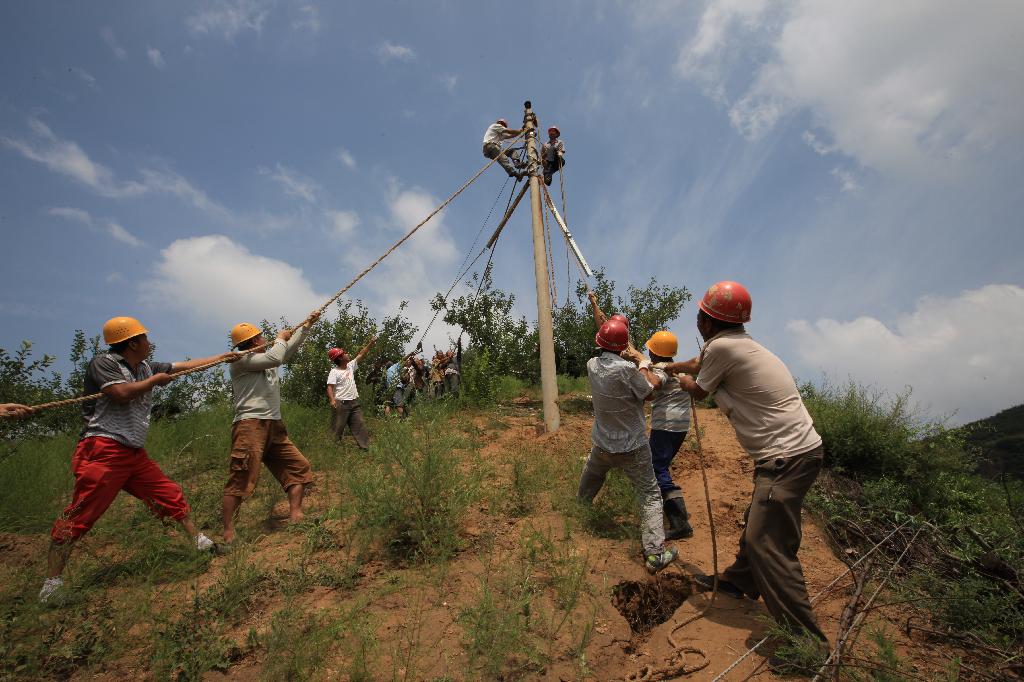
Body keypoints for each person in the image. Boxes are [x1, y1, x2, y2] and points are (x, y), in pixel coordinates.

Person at [40, 316, 239, 602]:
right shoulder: (104, 363)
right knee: (80, 515)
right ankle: (51, 587)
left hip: (133, 453)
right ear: (132, 342)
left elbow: (179, 367)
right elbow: (120, 394)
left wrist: (220, 357)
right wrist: (154, 383)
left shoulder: (144, 367)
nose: (149, 342)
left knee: (169, 495)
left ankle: (202, 545)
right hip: (103, 450)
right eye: (145, 338)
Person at [677, 281, 827, 643]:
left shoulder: (722, 349)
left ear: (707, 322)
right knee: (760, 520)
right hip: (799, 451)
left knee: (766, 542)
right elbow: (699, 363)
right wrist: (669, 366)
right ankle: (738, 580)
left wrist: (681, 381)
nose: (697, 320)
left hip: (785, 458)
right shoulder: (737, 344)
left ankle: (806, 642)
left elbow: (699, 385)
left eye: (699, 315)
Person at [577, 318, 678, 574]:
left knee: (593, 473)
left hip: (602, 443)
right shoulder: (626, 370)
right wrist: (643, 363)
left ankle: (578, 510)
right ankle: (654, 553)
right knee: (650, 495)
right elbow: (649, 392)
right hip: (632, 446)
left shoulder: (592, 365)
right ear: (623, 347)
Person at [222, 316, 320, 546]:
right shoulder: (241, 360)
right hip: (250, 425)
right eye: (261, 336)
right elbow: (277, 356)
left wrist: (305, 329)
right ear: (255, 340)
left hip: (274, 424)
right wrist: (279, 339)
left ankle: (295, 514)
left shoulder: (265, 360)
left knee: (298, 467)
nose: (265, 339)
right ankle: (228, 532)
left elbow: (282, 355)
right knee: (241, 477)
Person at [643, 330, 694, 540]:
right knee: (659, 467)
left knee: (657, 469)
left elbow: (649, 390)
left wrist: (642, 368)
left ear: (654, 352)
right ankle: (668, 513)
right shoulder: (678, 370)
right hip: (680, 427)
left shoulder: (662, 370)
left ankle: (680, 522)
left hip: (665, 427)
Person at [326, 337, 376, 449]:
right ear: (340, 358)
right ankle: (331, 448)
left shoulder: (350, 366)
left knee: (359, 424)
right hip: (341, 404)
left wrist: (371, 343)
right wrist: (332, 399)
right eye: (344, 353)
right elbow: (330, 387)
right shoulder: (334, 372)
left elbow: (361, 354)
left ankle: (365, 447)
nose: (347, 354)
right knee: (337, 427)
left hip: (354, 403)